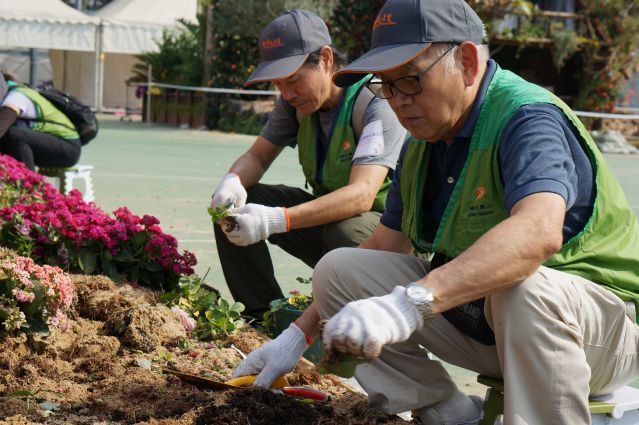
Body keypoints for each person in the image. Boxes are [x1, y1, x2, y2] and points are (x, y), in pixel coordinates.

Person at [231, 0, 639, 424]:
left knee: (522, 286)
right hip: (494, 326)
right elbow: (383, 246)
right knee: (339, 271)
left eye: (409, 80)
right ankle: (448, 413)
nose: (397, 102)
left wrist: (412, 303)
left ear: (465, 60)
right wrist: (298, 335)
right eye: (385, 86)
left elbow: (538, 232)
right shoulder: (422, 143)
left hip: (598, 333)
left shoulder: (527, 118)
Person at [210, 9, 406, 317]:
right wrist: (231, 180)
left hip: (389, 241)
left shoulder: (373, 99)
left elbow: (362, 194)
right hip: (332, 230)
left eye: (293, 80)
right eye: (278, 85)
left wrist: (276, 220)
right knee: (235, 211)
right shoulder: (295, 104)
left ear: (326, 59)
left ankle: (361, 325)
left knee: (345, 231)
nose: (286, 94)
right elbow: (257, 156)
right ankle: (263, 315)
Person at [0, 71, 81, 171]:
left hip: (67, 148)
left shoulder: (16, 98)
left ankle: (29, 183)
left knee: (13, 135)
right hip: (42, 144)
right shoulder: (9, 93)